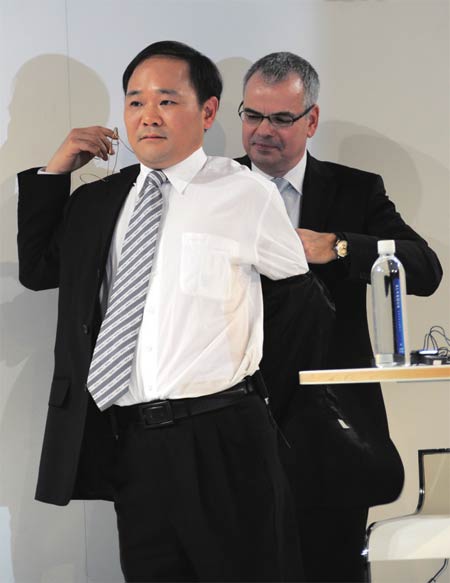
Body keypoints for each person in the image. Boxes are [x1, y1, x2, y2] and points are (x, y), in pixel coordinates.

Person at [17, 41, 310, 582]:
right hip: (133, 442)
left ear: (208, 111)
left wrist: (264, 403)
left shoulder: (245, 193)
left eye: (167, 101)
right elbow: (37, 269)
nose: (148, 115)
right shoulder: (99, 201)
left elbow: (301, 308)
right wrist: (56, 170)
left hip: (224, 436)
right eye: (135, 102)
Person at [235, 52, 443, 582]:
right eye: (252, 115)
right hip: (233, 422)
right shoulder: (213, 189)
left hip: (330, 430)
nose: (263, 130)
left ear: (311, 120)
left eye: (281, 118)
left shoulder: (355, 190)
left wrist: (340, 246)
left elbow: (425, 268)